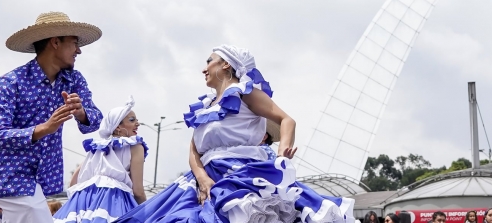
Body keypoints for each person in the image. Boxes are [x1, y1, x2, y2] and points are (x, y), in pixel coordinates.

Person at [114, 45, 354, 223]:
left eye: (209, 61)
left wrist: (282, 154)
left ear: (226, 65)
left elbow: (286, 120)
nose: (203, 68)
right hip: (202, 179)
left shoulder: (244, 93)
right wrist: (202, 178)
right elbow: (194, 150)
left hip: (240, 173)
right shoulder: (205, 106)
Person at [0, 11, 105, 223]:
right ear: (55, 42)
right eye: (75, 43)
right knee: (37, 215)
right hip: (11, 177)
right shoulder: (10, 82)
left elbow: (94, 120)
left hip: (44, 178)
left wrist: (81, 112)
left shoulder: (73, 80)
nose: (79, 51)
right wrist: (44, 128)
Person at [54, 96, 148, 223]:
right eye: (132, 120)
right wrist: (148, 213)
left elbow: (73, 182)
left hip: (84, 200)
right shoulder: (136, 146)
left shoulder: (97, 147)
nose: (137, 123)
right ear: (117, 127)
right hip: (115, 201)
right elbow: (138, 191)